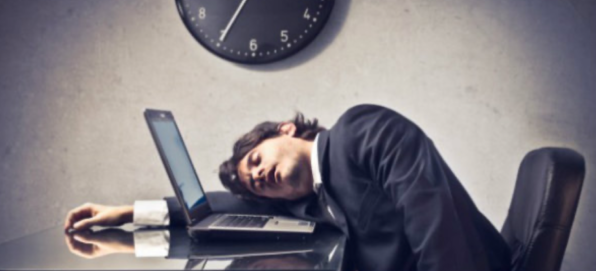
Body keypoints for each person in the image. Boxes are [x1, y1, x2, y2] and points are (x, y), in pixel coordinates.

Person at [65, 104, 511, 271]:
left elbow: (437, 225)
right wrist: (124, 214)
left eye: (256, 160)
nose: (259, 176)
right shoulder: (308, 204)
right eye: (256, 187)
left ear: (287, 129)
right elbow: (213, 206)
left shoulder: (361, 130)